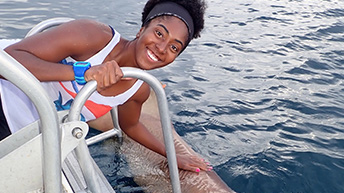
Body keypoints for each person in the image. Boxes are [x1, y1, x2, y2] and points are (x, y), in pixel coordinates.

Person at [0, 0, 210, 173]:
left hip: (25, 132)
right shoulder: (94, 36)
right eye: (159, 33)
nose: (162, 48)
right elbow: (8, 62)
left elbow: (131, 126)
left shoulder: (138, 90)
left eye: (174, 47)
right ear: (141, 29)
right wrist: (82, 73)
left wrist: (173, 156)